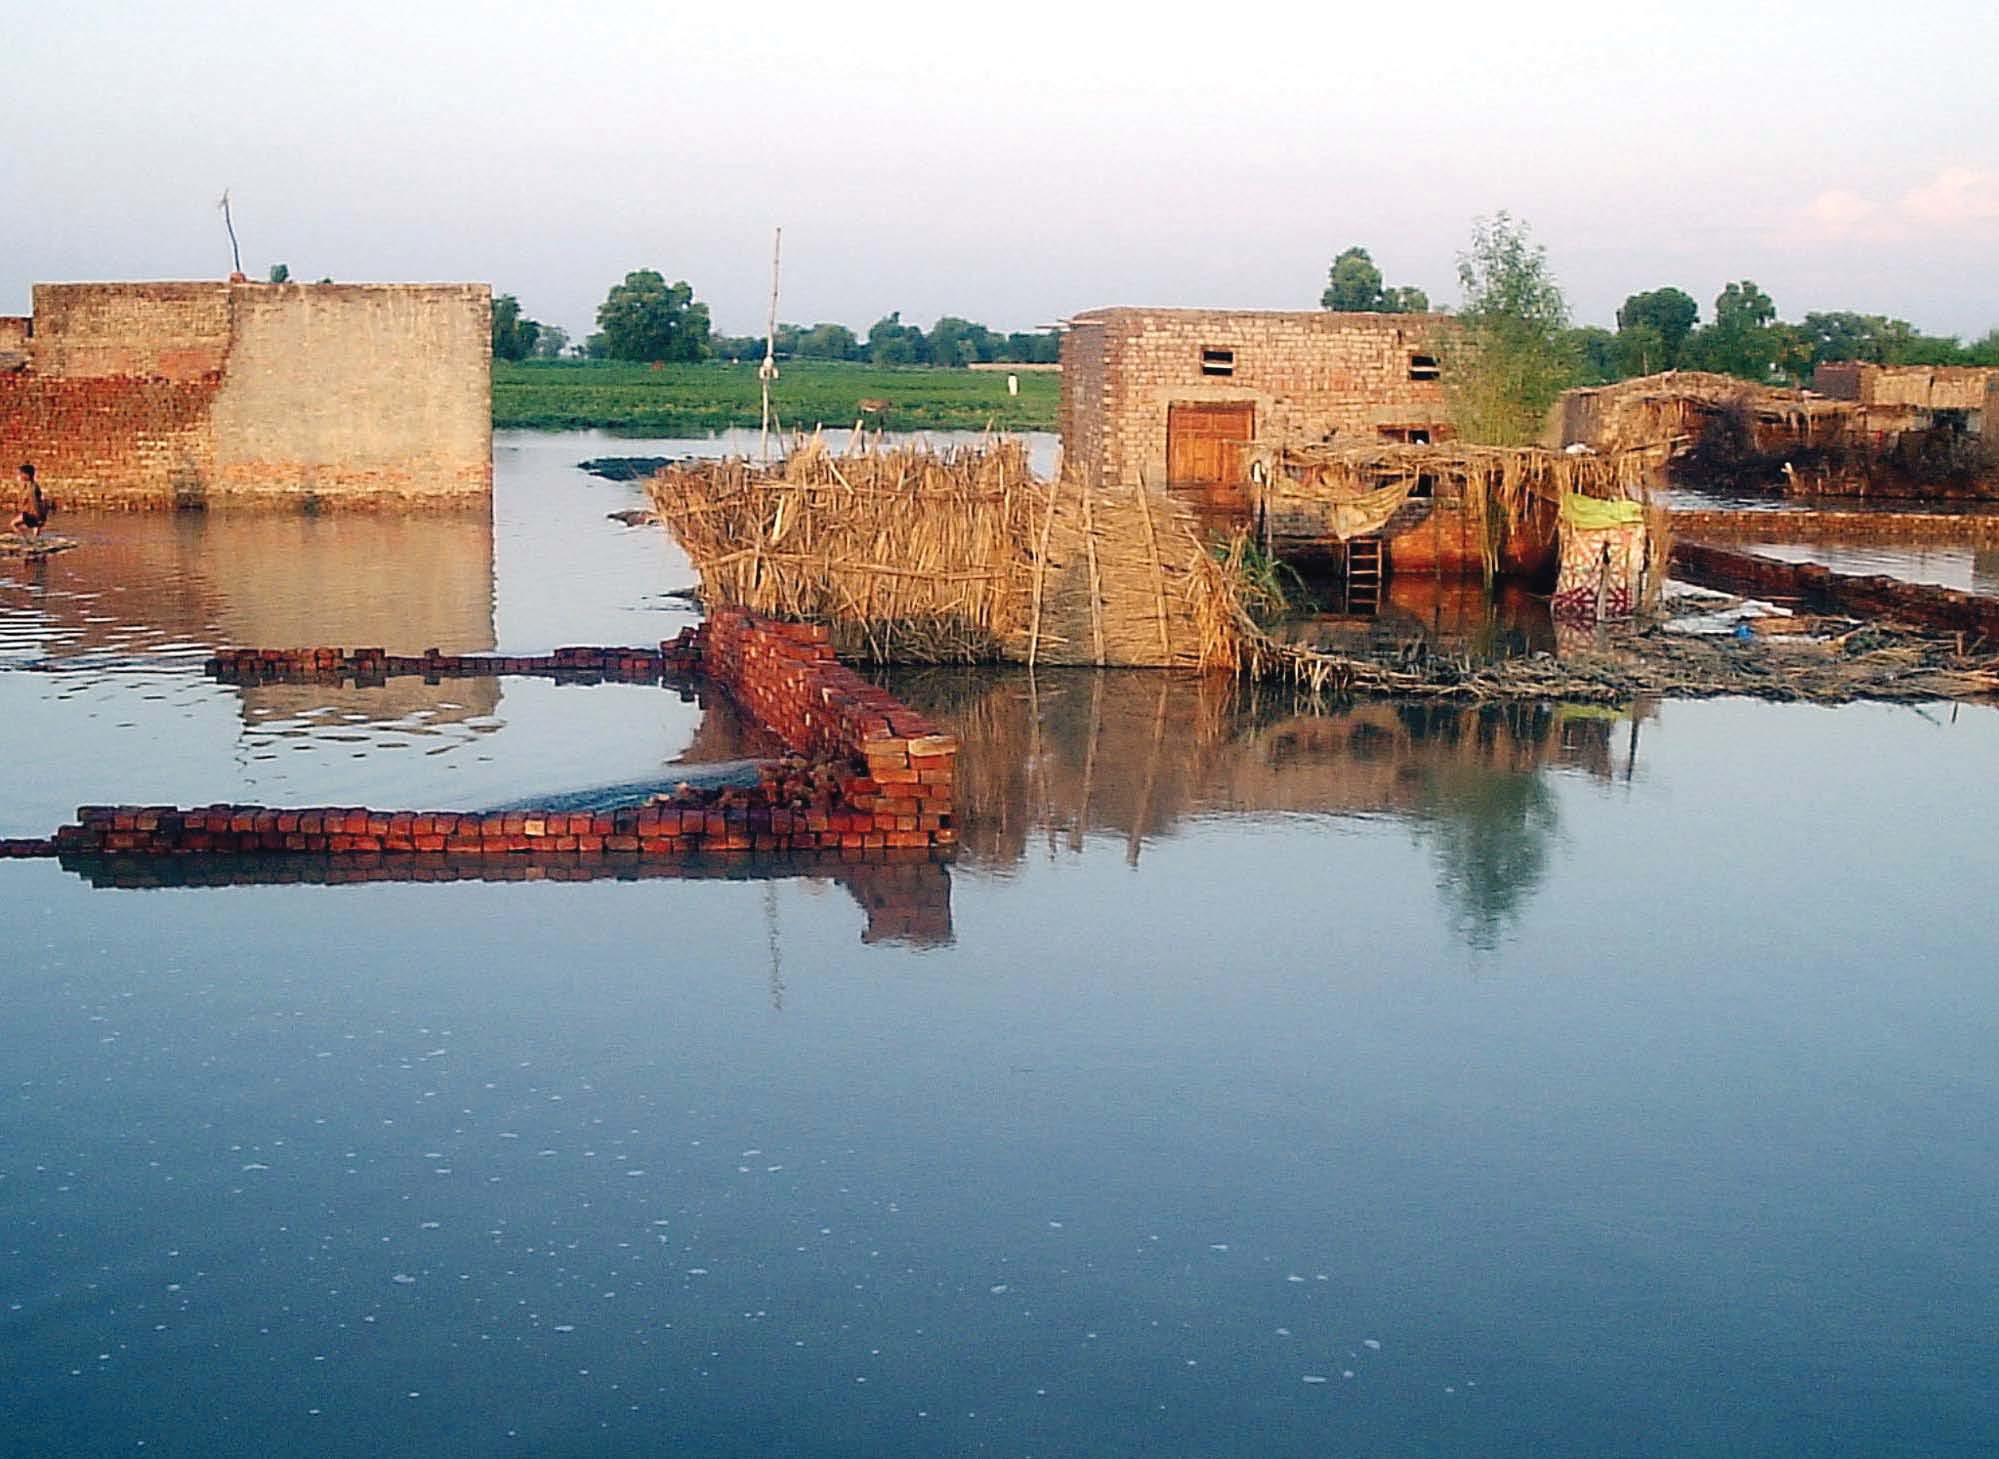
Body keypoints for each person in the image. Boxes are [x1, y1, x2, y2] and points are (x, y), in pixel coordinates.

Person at [12, 463, 50, 541]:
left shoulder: (32, 487)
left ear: (27, 475)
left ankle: (25, 539)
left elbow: (35, 501)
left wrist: (38, 514)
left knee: (14, 524)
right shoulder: (28, 485)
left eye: (21, 474)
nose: (20, 476)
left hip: (32, 513)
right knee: (35, 531)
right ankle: (27, 540)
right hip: (30, 512)